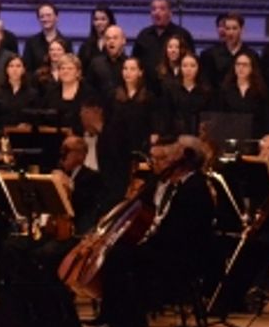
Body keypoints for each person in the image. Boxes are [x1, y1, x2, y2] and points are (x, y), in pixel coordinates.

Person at [89, 138, 216, 327]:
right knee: (119, 251)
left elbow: (179, 234)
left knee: (122, 257)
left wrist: (143, 243)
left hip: (183, 256)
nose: (157, 163)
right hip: (166, 248)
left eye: (165, 159)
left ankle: (124, 324)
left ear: (181, 161)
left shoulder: (195, 188)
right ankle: (113, 316)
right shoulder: (169, 183)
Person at [95, 57, 161, 205]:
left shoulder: (149, 97)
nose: (128, 73)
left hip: (138, 145)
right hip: (114, 147)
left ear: (140, 72)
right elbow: (106, 120)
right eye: (125, 69)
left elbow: (153, 123)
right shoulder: (112, 95)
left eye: (132, 69)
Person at [132, 0, 194, 79]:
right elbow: (135, 63)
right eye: (154, 9)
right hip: (148, 89)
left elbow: (191, 63)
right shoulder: (143, 35)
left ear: (170, 13)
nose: (157, 12)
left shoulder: (182, 35)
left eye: (162, 9)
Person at [216, 53, 269, 139]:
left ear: (252, 68)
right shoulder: (225, 90)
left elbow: (266, 118)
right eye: (238, 64)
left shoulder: (260, 91)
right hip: (231, 137)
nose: (240, 68)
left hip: (254, 137)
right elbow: (221, 117)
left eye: (245, 65)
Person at [200, 13, 259, 90]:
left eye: (234, 28)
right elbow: (207, 84)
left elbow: (256, 82)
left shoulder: (251, 55)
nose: (231, 33)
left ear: (242, 29)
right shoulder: (210, 54)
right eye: (228, 28)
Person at [162, 51, 209, 137]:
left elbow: (208, 118)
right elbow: (167, 115)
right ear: (180, 68)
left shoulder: (205, 91)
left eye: (192, 66)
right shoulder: (171, 90)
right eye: (185, 66)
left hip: (199, 137)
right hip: (176, 137)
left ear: (198, 68)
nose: (188, 69)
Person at [21, 0, 71, 74]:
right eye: (42, 16)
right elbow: (27, 70)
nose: (45, 19)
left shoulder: (67, 42)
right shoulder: (31, 43)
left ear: (56, 17)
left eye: (48, 15)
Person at [0, 55, 38, 130]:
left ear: (23, 70)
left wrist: (27, 124)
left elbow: (36, 118)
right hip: (1, 134)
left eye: (18, 66)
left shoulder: (32, 94)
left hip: (24, 135)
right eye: (11, 66)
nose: (14, 69)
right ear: (6, 70)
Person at [86, 24, 128, 97]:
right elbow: (88, 90)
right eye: (108, 38)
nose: (111, 41)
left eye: (115, 38)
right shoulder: (96, 64)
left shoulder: (129, 64)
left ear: (123, 40)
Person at [77, 4, 115, 69]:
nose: (99, 22)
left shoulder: (115, 44)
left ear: (110, 21)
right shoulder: (86, 46)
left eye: (103, 19)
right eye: (96, 19)